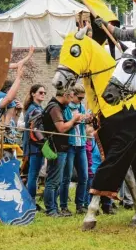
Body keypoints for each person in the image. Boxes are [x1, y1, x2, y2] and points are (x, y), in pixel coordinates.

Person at [0, 60, 30, 224]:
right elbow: (8, 98)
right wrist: (18, 77)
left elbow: (12, 126)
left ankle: (6, 213)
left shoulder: (7, 107)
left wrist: (17, 112)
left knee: (9, 181)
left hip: (8, 147)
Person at [42, 88, 83, 217]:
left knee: (57, 180)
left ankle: (54, 209)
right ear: (65, 95)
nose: (72, 101)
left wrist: (74, 122)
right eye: (70, 97)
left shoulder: (58, 106)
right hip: (56, 148)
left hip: (61, 147)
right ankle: (51, 210)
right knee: (53, 181)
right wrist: (73, 119)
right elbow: (61, 128)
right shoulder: (54, 107)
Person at [60, 84, 90, 215]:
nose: (81, 100)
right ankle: (64, 206)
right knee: (66, 177)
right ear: (73, 96)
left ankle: (80, 205)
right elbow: (66, 125)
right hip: (70, 145)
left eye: (83, 98)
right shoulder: (66, 109)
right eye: (79, 98)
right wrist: (76, 120)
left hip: (81, 144)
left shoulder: (82, 107)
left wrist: (87, 119)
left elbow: (85, 125)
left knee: (84, 176)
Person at [22, 84, 46, 208]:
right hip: (35, 146)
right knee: (33, 175)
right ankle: (30, 202)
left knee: (33, 175)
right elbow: (36, 131)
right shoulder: (34, 110)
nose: (43, 94)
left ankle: (30, 201)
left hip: (35, 146)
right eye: (40, 92)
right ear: (33, 94)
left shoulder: (36, 108)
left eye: (44, 93)